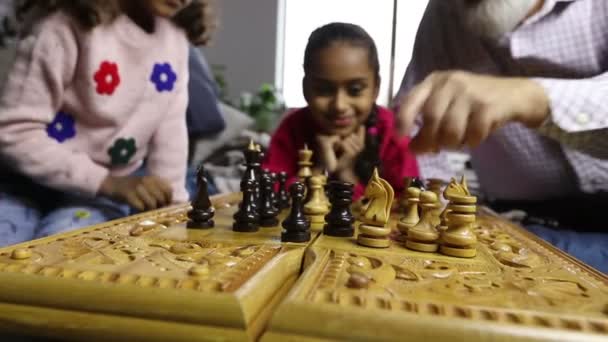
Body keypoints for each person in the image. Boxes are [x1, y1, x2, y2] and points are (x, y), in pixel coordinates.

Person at [396, 0, 608, 272]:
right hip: (516, 226)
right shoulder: (445, 11)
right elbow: (416, 127)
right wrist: (439, 210)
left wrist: (532, 98)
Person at [0, 0, 212, 247]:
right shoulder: (60, 26)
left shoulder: (175, 39)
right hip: (24, 183)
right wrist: (107, 181)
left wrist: (173, 212)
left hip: (104, 193)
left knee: (62, 250)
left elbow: (170, 134)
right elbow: (14, 131)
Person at [263, 22, 419, 199]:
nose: (339, 105)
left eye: (355, 90)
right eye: (323, 90)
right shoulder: (293, 127)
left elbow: (407, 206)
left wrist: (346, 174)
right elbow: (268, 194)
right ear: (306, 89)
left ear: (376, 88)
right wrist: (321, 167)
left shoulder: (391, 132)